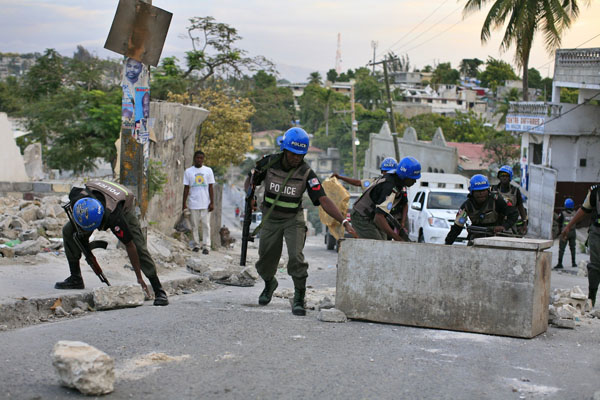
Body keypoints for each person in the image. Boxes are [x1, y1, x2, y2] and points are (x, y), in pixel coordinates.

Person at [245, 127, 356, 316]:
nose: (297, 158)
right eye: (293, 154)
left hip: (293, 219)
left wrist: (344, 221)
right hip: (270, 218)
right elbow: (251, 178)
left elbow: (323, 199)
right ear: (285, 150)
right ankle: (270, 283)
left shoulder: (307, 173)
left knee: (296, 257)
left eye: (301, 155)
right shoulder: (269, 163)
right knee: (265, 260)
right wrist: (250, 195)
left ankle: (299, 297)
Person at [54, 180, 168, 306]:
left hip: (122, 205)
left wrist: (139, 278)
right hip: (96, 201)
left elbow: (130, 245)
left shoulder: (114, 217)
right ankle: (75, 278)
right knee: (68, 231)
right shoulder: (78, 197)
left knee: (139, 246)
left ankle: (158, 289)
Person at [349, 157, 421, 241]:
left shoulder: (397, 182)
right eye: (412, 179)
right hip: (361, 216)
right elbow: (379, 217)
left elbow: (403, 204)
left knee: (384, 243)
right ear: (405, 176)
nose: (414, 182)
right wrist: (396, 237)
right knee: (378, 246)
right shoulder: (390, 187)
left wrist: (402, 224)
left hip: (373, 216)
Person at [445, 174, 518, 245]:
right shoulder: (467, 206)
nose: (481, 194)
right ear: (472, 192)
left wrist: (504, 226)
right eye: (477, 191)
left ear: (488, 190)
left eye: (483, 190)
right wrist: (447, 244)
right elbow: (457, 227)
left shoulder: (497, 200)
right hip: (476, 238)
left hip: (497, 237)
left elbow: (514, 213)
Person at [561, 184, 600, 307]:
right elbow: (584, 209)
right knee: (594, 267)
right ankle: (591, 299)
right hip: (597, 232)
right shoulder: (596, 192)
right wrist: (568, 226)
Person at [182, 150, 215, 254]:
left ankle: (206, 246)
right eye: (197, 158)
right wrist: (184, 203)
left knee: (206, 225)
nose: (199, 160)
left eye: (201, 158)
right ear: (194, 159)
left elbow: (210, 187)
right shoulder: (188, 171)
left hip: (205, 203)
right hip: (193, 203)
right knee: (194, 225)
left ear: (203, 159)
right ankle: (196, 244)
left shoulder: (208, 170)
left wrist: (212, 202)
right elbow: (186, 188)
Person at [491, 165, 528, 234]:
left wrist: (524, 222)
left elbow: (520, 207)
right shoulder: (493, 189)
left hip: (511, 221)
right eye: (502, 175)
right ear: (499, 177)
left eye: (506, 176)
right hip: (496, 221)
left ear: (510, 177)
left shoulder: (515, 191)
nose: (504, 178)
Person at [332, 157, 397, 192]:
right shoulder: (375, 182)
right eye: (386, 171)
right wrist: (340, 177)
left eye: (390, 172)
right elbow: (358, 183)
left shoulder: (399, 186)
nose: (388, 174)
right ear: (382, 172)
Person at [554, 198, 577, 269]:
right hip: (573, 232)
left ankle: (560, 263)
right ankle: (573, 263)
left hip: (565, 233)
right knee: (573, 248)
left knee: (562, 249)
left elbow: (559, 221)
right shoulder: (575, 213)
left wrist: (558, 232)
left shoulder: (563, 213)